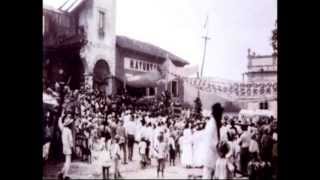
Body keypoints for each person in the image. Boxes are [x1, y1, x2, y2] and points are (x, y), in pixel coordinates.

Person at [202, 103, 224, 179]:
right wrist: (220, 147)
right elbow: (211, 143)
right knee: (208, 176)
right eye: (221, 114)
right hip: (210, 156)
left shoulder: (214, 123)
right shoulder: (212, 125)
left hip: (212, 156)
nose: (221, 117)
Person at [58, 112, 74, 180]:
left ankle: (61, 173)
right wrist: (72, 147)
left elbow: (59, 123)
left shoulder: (63, 129)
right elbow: (70, 141)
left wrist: (61, 117)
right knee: (68, 162)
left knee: (67, 161)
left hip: (64, 146)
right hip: (68, 147)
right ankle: (65, 175)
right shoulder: (69, 131)